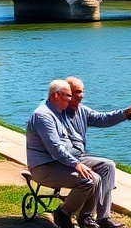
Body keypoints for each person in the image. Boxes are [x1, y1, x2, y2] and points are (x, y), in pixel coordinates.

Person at [63, 77, 131, 228]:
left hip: (80, 157)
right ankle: (82, 215)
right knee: (97, 173)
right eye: (75, 93)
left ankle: (103, 218)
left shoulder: (82, 111)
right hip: (65, 160)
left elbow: (104, 118)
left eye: (81, 92)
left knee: (108, 167)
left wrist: (129, 112)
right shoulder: (56, 112)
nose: (79, 96)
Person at [26, 79, 96, 228]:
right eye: (68, 96)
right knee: (88, 180)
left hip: (57, 164)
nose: (72, 100)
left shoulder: (57, 113)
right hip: (44, 167)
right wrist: (76, 164)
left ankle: (85, 218)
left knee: (95, 176)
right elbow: (55, 148)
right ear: (56, 95)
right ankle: (63, 213)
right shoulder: (43, 115)